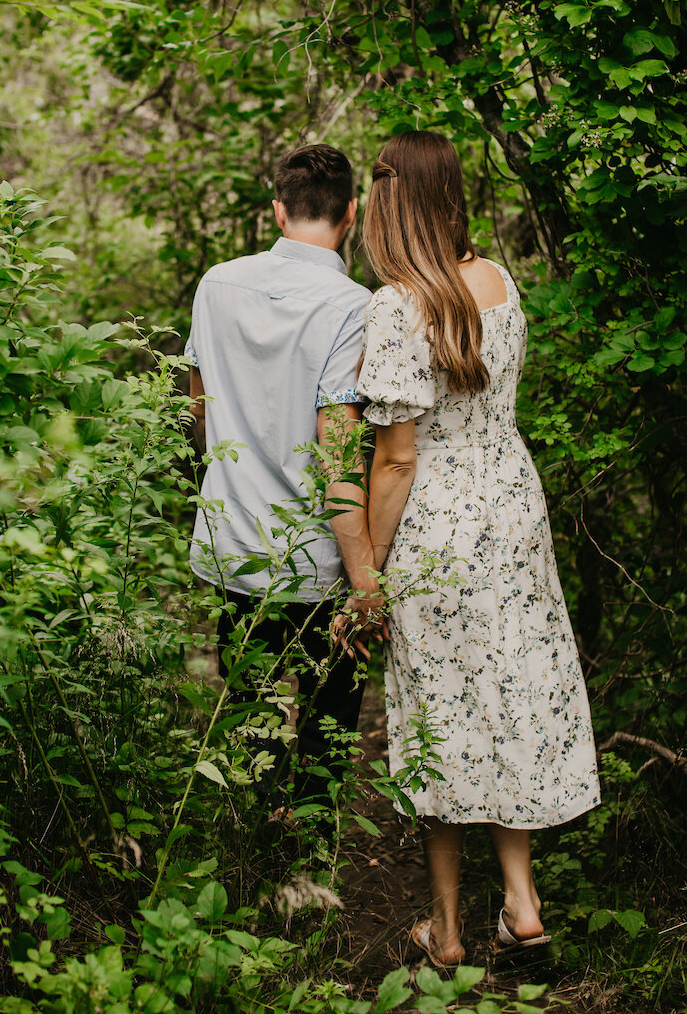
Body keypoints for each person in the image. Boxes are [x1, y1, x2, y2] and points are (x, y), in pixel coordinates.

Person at [356, 130, 600, 964]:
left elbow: (395, 458)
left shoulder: (396, 305)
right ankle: (524, 905)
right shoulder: (498, 279)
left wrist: (372, 574)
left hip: (437, 524)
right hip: (513, 511)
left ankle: (450, 932)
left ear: (391, 201)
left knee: (440, 714)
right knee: (508, 695)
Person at [185, 143, 383, 807]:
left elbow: (198, 407)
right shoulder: (357, 307)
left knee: (249, 716)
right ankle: (315, 869)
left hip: (233, 544)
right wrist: (366, 584)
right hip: (318, 560)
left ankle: (255, 857)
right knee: (328, 727)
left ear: (277, 209)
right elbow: (340, 447)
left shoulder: (216, 284)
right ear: (351, 213)